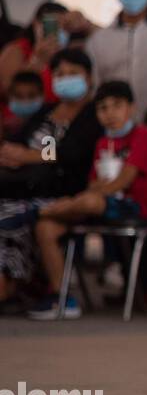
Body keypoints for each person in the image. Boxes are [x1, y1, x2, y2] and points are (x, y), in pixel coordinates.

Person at [6, 81, 147, 319]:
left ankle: (37, 211)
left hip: (132, 206)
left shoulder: (141, 136)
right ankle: (62, 297)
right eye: (103, 108)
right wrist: (95, 190)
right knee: (46, 229)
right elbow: (93, 183)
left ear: (131, 108)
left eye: (116, 106)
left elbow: (125, 180)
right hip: (97, 205)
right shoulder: (102, 142)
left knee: (89, 201)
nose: (109, 114)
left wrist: (93, 192)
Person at [0, 49, 101, 305]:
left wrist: (28, 156)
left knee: (8, 219)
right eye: (60, 74)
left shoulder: (93, 115)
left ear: (89, 78)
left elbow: (72, 153)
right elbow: (17, 143)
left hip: (64, 194)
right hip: (20, 190)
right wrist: (10, 154)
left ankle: (17, 283)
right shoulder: (45, 112)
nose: (65, 79)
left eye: (73, 74)